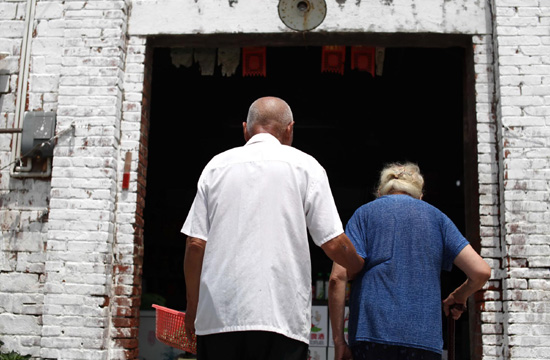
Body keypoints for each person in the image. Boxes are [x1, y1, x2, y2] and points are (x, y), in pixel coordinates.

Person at [182, 96, 365, 360]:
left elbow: (195, 244)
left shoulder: (216, 167)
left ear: (245, 129)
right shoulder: (306, 167)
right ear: (290, 129)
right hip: (281, 321)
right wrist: (359, 266)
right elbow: (333, 243)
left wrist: (193, 306)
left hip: (217, 321)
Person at [328, 162, 491, 360]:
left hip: (371, 336)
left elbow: (337, 277)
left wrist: (339, 341)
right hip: (424, 340)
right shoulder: (438, 219)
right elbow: (481, 272)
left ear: (381, 193)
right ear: (420, 196)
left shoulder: (364, 214)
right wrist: (459, 295)